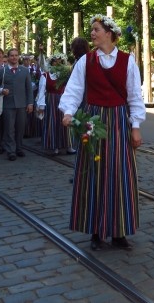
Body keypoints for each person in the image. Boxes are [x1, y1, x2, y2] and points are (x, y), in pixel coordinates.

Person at [59, 14, 144, 251]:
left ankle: (118, 231)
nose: (92, 33)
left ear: (109, 33)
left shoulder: (128, 61)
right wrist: (68, 111)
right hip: (93, 121)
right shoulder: (86, 61)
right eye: (92, 29)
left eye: (96, 29)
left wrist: (135, 126)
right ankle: (95, 230)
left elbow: (135, 95)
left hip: (118, 121)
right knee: (92, 173)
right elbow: (74, 90)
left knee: (119, 176)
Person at [0, 48, 34, 161]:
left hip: (22, 104)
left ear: (18, 57)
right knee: (9, 128)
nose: (14, 57)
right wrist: (1, 90)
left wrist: (30, 103)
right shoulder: (1, 71)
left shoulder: (24, 70)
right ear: (7, 57)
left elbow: (29, 89)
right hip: (8, 104)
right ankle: (10, 151)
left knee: (20, 127)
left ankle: (19, 148)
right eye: (11, 55)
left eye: (16, 55)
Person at [37, 53, 75, 155]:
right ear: (51, 63)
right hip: (51, 100)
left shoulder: (65, 74)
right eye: (55, 61)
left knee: (66, 121)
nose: (57, 63)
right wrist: (41, 105)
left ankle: (69, 145)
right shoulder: (45, 75)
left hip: (64, 100)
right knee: (53, 122)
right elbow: (41, 91)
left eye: (60, 61)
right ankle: (54, 146)